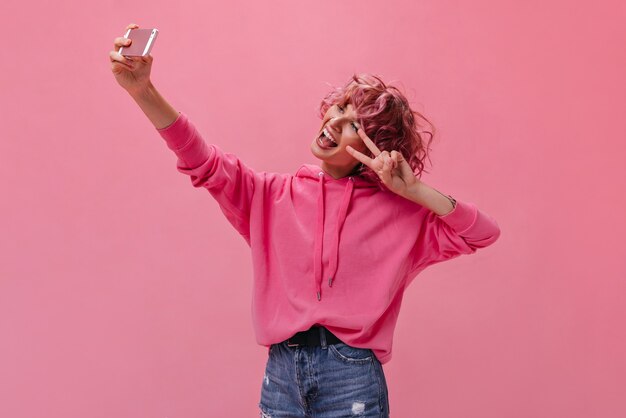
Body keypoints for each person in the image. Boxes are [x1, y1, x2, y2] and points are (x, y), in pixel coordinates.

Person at [110, 23, 501, 418]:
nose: (335, 121)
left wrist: (414, 191)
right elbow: (203, 161)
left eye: (354, 126)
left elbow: (483, 233)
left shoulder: (403, 216)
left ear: (375, 148)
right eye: (341, 107)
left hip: (353, 380)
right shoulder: (270, 195)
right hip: (281, 374)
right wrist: (144, 91)